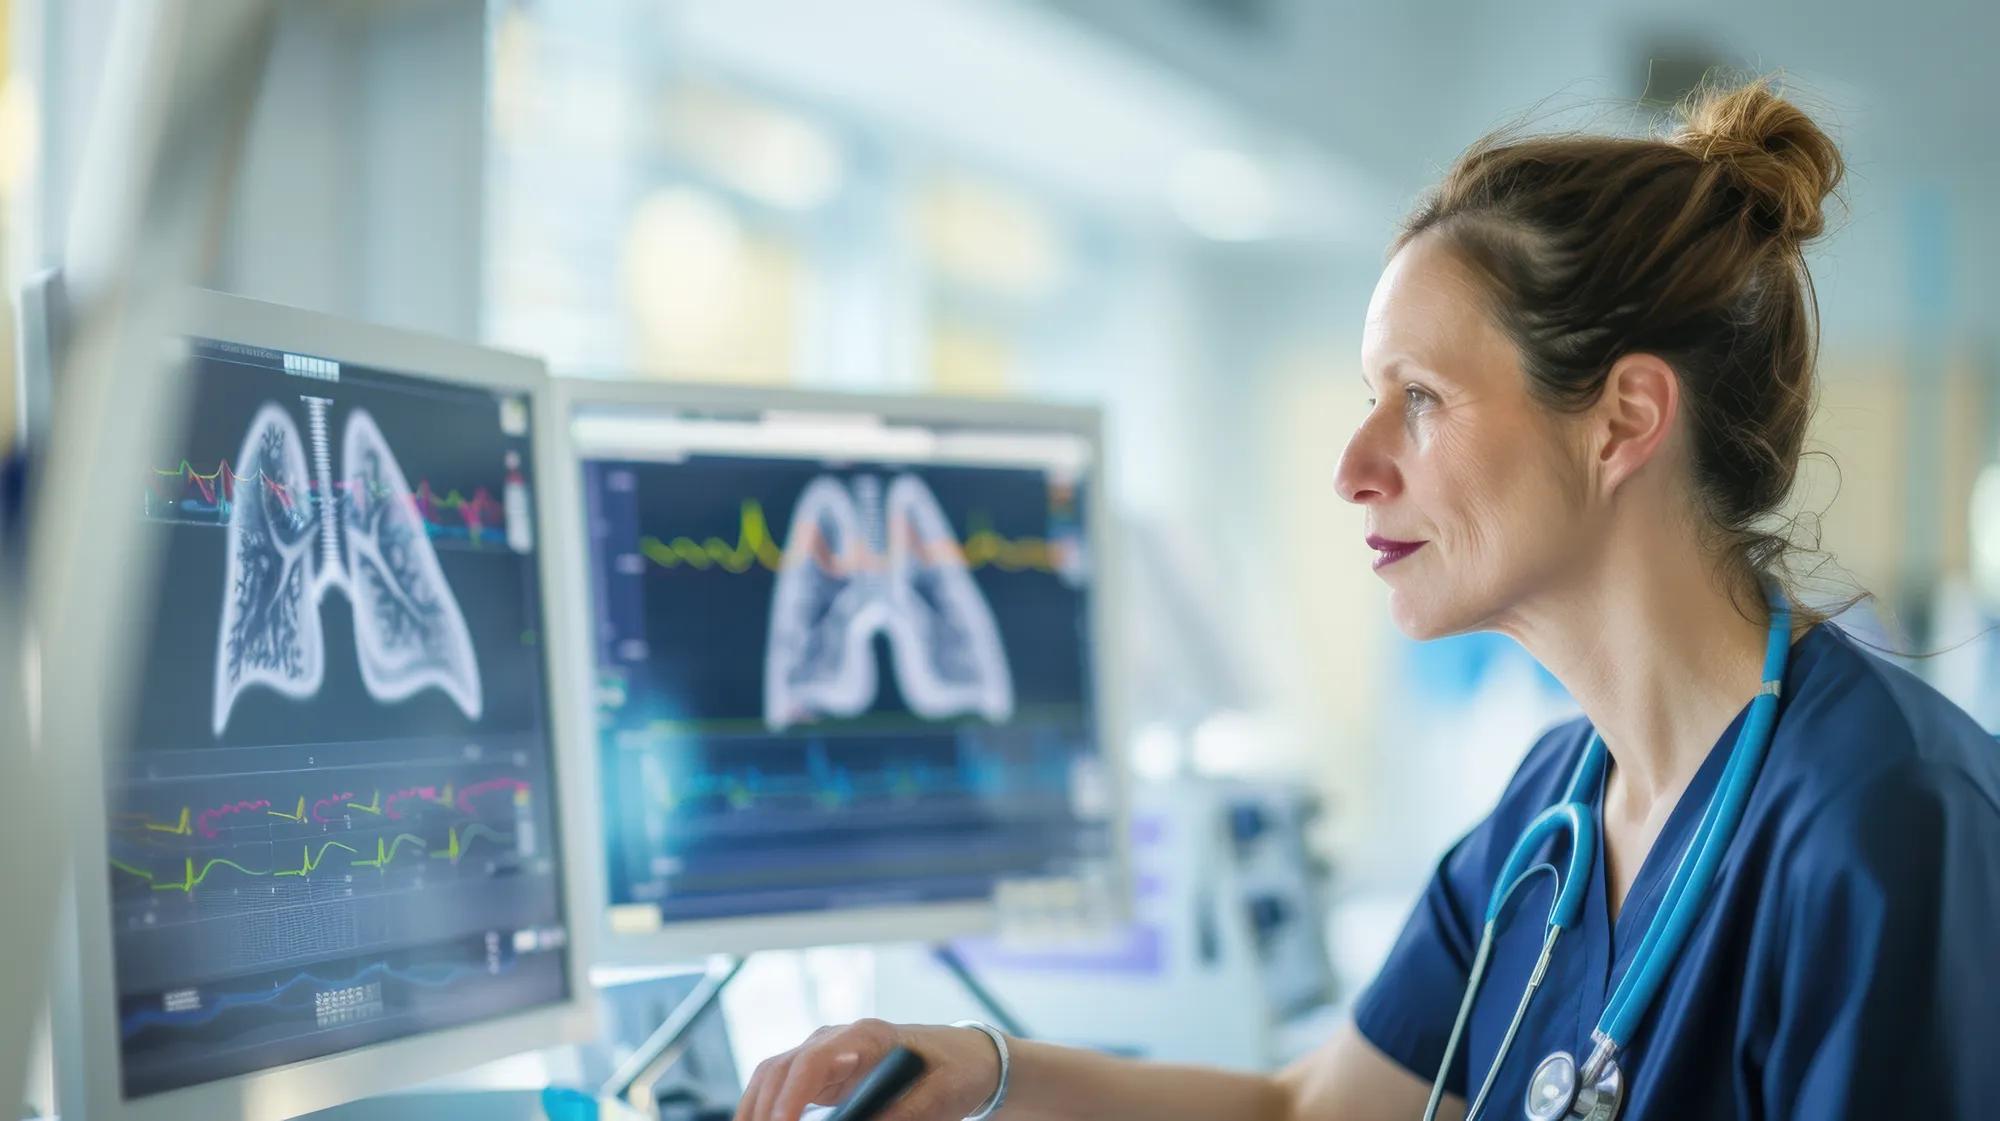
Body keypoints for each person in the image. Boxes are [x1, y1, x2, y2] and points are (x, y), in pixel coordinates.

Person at [732, 79, 2000, 1121]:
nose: (1351, 468)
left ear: (1621, 421)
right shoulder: (1552, 811)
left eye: (1420, 400)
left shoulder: (1885, 821)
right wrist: (981, 1068)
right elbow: (1305, 1110)